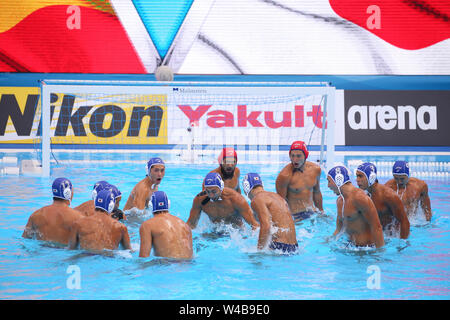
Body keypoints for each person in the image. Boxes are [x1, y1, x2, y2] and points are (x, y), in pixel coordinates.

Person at [327, 166, 384, 248]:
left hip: (366, 250)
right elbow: (338, 229)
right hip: (349, 247)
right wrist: (327, 241)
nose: (328, 186)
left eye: (329, 181)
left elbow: (377, 227)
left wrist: (380, 253)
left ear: (338, 180)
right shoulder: (340, 201)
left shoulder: (360, 198)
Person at [243, 173, 298, 254]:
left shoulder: (257, 199)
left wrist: (259, 251)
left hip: (279, 247)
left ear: (246, 187)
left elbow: (266, 226)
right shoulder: (276, 196)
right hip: (294, 247)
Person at [187, 172, 260, 230]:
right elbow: (191, 224)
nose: (211, 195)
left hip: (236, 233)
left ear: (221, 187)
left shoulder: (236, 199)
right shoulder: (200, 200)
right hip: (214, 232)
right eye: (207, 191)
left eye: (214, 191)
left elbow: (254, 225)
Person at [356, 162, 410, 239]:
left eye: (360, 176)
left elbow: (404, 221)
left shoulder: (388, 195)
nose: (357, 180)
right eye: (357, 176)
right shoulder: (363, 195)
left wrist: (402, 245)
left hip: (390, 238)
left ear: (371, 177)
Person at [22, 177, 83, 246]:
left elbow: (25, 240)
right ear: (68, 193)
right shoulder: (78, 217)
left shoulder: (36, 215)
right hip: (65, 254)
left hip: (42, 253)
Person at [275, 140, 323, 221]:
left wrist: (321, 211)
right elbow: (280, 203)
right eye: (292, 156)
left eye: (298, 156)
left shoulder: (316, 170)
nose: (295, 159)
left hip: (312, 212)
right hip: (296, 217)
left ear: (306, 155)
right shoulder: (284, 176)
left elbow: (317, 192)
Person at [139, 191, 193, 259]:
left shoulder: (147, 225)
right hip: (188, 265)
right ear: (168, 205)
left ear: (151, 206)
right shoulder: (185, 225)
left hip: (167, 265)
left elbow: (143, 257)